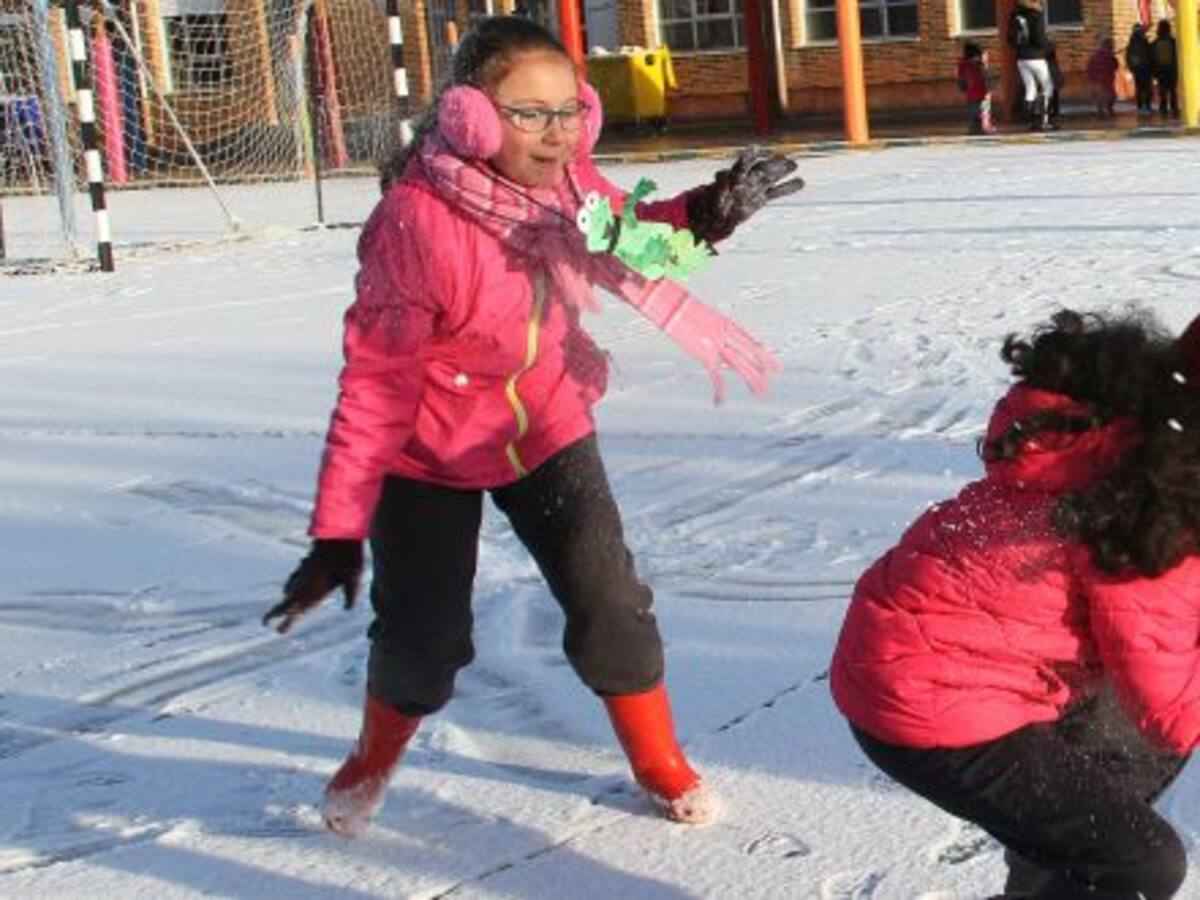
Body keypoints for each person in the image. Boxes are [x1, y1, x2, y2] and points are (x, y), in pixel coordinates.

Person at [261, 15, 803, 838]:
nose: (555, 135)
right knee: (424, 643)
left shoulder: (572, 189)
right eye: (527, 113)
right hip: (426, 454)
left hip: (544, 426)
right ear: (468, 117)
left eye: (567, 112)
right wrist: (339, 532)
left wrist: (711, 211)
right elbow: (374, 383)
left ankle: (658, 761)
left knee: (612, 605)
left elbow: (637, 234)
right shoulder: (416, 224)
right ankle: (372, 759)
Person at [831, 307, 1200, 898]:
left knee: (1115, 776)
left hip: (922, 653)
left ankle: (1050, 877)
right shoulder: (1146, 515)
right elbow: (1172, 705)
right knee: (1142, 863)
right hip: (930, 699)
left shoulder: (1106, 429)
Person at [1007, 0, 1055, 130]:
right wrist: (1049, 47)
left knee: (1030, 88)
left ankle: (1030, 120)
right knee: (1047, 87)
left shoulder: (1015, 15)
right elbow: (1040, 39)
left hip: (1021, 58)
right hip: (1037, 57)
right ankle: (1044, 121)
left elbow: (1010, 38)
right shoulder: (1036, 15)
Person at [956, 42, 996, 135]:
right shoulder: (980, 63)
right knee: (984, 110)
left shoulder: (962, 63)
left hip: (970, 92)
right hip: (983, 91)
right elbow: (986, 76)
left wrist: (962, 87)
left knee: (973, 111)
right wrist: (991, 86)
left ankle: (973, 128)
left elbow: (960, 77)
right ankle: (985, 127)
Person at [1125, 22, 1155, 115]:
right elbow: (1149, 54)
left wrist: (1131, 68)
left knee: (1140, 88)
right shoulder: (1142, 41)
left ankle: (1141, 106)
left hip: (1138, 69)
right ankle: (1147, 106)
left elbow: (1128, 56)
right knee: (1146, 88)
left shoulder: (1131, 42)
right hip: (1145, 68)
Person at [1087, 36, 1120, 118]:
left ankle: (1102, 111)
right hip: (1106, 79)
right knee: (1108, 96)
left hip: (1101, 79)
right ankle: (1107, 110)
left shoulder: (1096, 56)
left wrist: (1092, 78)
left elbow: (1090, 67)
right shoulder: (1108, 56)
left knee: (1103, 96)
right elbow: (1115, 65)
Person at [1152, 18, 1179, 116]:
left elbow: (1152, 58)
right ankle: (1174, 109)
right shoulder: (1173, 42)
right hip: (1172, 70)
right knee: (1172, 91)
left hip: (1160, 71)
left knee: (1162, 91)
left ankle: (1163, 110)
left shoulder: (1155, 43)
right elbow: (1177, 55)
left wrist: (1153, 71)